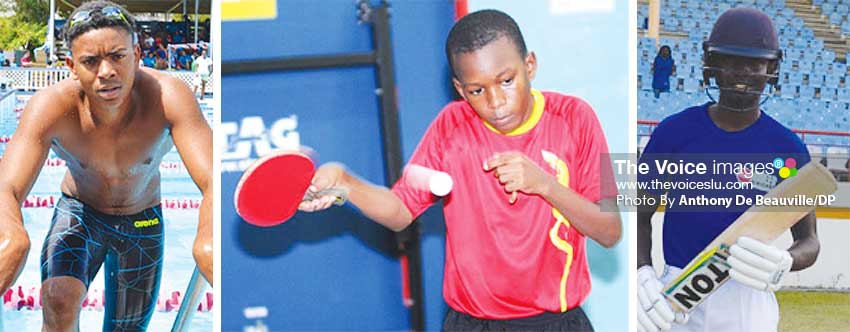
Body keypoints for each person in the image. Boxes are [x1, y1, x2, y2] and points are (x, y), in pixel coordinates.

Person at [300, 9, 621, 331]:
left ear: (530, 65)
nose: (496, 102)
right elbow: (400, 211)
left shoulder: (579, 116)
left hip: (556, 323)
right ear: (459, 88)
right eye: (477, 90)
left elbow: (611, 230)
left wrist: (545, 185)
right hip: (469, 323)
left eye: (506, 81)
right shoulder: (449, 124)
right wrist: (344, 179)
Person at [0, 1, 213, 330]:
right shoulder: (52, 108)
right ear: (71, 65)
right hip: (80, 214)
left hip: (142, 223)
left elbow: (213, 178)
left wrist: (207, 236)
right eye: (90, 61)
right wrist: (11, 233)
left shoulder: (168, 98)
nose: (106, 71)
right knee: (57, 300)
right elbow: (7, 185)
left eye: (117, 56)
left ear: (137, 55)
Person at [636, 8, 819, 332]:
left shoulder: (788, 149)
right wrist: (642, 272)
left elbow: (809, 241)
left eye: (755, 62)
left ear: (771, 68)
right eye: (731, 60)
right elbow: (636, 212)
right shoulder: (673, 133)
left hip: (749, 298)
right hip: (680, 291)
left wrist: (787, 261)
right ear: (713, 65)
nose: (742, 72)